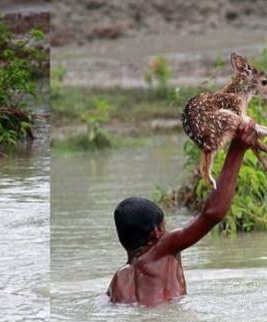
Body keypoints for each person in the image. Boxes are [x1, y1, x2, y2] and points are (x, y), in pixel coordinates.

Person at [107, 120, 257, 306]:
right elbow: (213, 214)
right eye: (164, 226)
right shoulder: (162, 248)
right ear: (156, 233)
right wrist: (237, 150)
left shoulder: (118, 280)